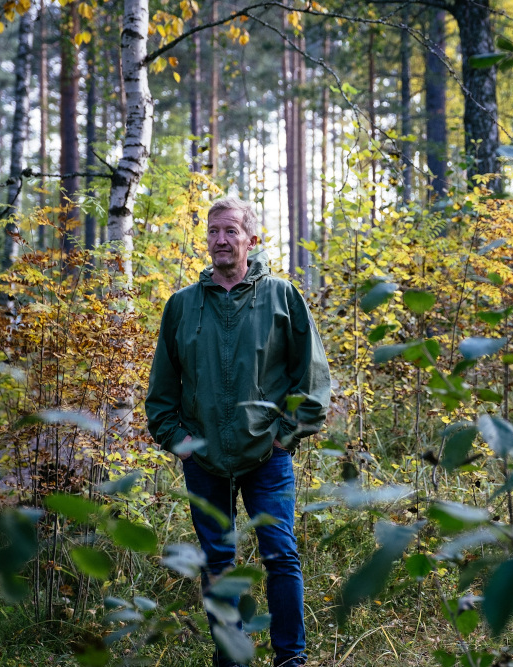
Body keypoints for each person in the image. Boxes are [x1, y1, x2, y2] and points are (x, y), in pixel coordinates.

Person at [146, 196, 330, 667]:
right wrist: (180, 442)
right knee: (218, 565)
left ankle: (290, 658)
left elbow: (309, 380)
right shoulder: (182, 305)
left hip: (267, 457)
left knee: (280, 557)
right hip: (204, 460)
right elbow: (162, 392)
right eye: (213, 231)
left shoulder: (282, 296)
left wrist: (282, 436)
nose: (220, 240)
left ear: (252, 239)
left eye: (230, 231)